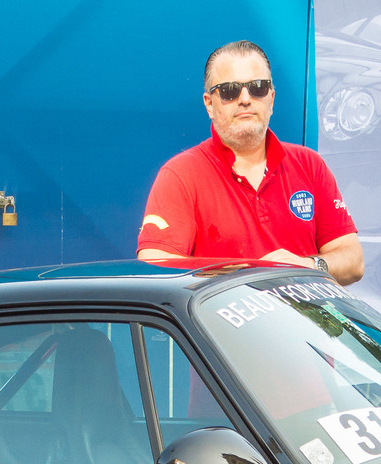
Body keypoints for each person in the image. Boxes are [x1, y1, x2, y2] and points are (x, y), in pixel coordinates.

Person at [137, 40, 364, 286]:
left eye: (258, 87)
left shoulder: (310, 165)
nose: (245, 99)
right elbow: (155, 265)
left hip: (304, 312)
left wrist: (308, 265)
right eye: (229, 91)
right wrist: (252, 273)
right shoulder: (180, 174)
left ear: (271, 98)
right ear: (209, 104)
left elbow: (354, 261)